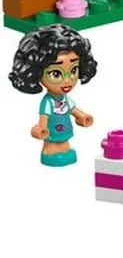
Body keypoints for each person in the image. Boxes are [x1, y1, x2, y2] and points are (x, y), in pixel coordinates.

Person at [9, 24, 98, 166]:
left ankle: (64, 151)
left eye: (73, 70)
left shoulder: (64, 99)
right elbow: (44, 116)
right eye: (56, 73)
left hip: (65, 128)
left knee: (65, 144)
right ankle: (49, 153)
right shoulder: (48, 102)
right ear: (37, 73)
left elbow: (72, 109)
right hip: (52, 131)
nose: (67, 80)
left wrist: (82, 117)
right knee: (52, 144)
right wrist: (41, 128)